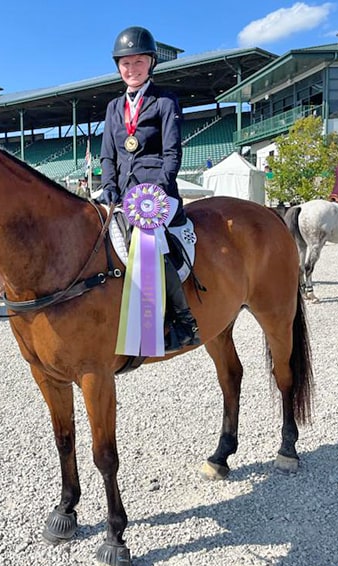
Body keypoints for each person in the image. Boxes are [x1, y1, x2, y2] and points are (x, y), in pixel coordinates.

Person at [99, 25, 200, 350]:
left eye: (138, 62)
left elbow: (172, 154)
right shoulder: (114, 108)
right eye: (126, 64)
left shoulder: (165, 102)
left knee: (152, 242)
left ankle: (184, 321)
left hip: (156, 194)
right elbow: (108, 155)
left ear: (151, 63)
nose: (132, 69)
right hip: (121, 194)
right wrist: (109, 185)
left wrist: (156, 190)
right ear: (119, 67)